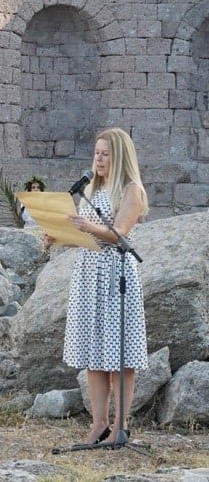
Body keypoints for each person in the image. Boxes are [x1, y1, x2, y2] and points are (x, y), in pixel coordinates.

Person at [55, 128, 149, 445]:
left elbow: (120, 232)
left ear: (119, 156)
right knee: (95, 355)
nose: (98, 158)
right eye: (96, 152)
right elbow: (88, 237)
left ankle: (120, 428)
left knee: (119, 356)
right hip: (88, 274)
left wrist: (87, 225)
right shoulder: (92, 190)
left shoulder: (131, 190)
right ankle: (98, 425)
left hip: (115, 274)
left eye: (105, 153)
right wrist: (61, 236)